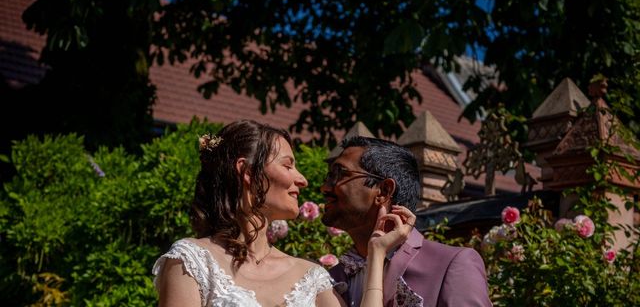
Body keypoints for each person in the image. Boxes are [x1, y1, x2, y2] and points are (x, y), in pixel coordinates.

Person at [153, 120, 414, 307]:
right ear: (247, 172)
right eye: (288, 165)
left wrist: (377, 252)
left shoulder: (311, 277)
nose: (302, 180)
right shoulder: (192, 261)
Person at [322, 136, 492, 307]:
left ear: (384, 191)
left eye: (339, 174)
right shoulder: (327, 280)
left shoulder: (452, 265)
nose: (325, 188)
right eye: (328, 177)